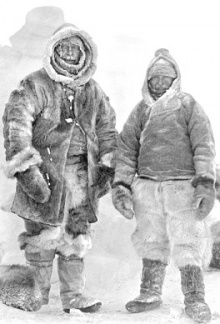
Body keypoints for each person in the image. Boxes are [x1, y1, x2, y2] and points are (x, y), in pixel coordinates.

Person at [2, 23, 117, 313]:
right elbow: (16, 124)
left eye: (75, 49)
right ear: (53, 50)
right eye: (63, 47)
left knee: (76, 236)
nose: (69, 53)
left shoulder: (93, 91)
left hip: (82, 175)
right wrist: (26, 168)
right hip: (46, 174)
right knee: (42, 235)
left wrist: (107, 163)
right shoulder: (35, 84)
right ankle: (36, 293)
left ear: (85, 54)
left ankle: (74, 296)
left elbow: (107, 127)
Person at [111, 48, 216, 323]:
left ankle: (195, 298)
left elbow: (203, 145)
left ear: (175, 80)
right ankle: (149, 292)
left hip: (182, 187)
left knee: (188, 242)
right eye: (154, 79)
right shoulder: (140, 111)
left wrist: (205, 183)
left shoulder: (188, 105)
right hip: (146, 188)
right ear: (147, 80)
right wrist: (121, 185)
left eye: (165, 79)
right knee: (151, 240)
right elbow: (126, 150)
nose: (159, 84)